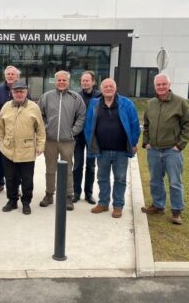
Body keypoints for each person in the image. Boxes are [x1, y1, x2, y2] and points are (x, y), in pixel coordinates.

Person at [141, 73, 189, 225]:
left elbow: (188, 125)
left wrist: (180, 145)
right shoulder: (151, 103)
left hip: (172, 150)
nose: (161, 87)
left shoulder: (180, 103)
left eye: (164, 84)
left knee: (175, 182)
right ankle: (158, 206)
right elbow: (146, 125)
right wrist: (146, 143)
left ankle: (177, 211)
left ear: (169, 85)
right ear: (154, 86)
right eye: (158, 85)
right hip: (154, 150)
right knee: (155, 180)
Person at [84, 78, 140, 219]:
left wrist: (133, 143)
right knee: (102, 178)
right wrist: (91, 144)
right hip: (101, 151)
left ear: (115, 88)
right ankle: (103, 203)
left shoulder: (127, 104)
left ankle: (118, 206)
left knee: (120, 179)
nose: (108, 88)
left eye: (111, 86)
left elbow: (134, 125)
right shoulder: (95, 103)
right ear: (101, 89)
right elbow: (89, 126)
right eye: (105, 86)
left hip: (121, 150)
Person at [38, 70, 86, 211]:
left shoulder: (76, 98)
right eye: (59, 80)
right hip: (50, 141)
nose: (61, 82)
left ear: (68, 81)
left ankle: (68, 197)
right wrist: (45, 128)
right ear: (55, 81)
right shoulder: (46, 97)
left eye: (64, 80)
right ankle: (49, 194)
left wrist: (73, 132)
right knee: (50, 169)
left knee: (68, 170)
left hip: (67, 141)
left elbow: (81, 116)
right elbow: (39, 115)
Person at [0, 81, 45, 215]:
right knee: (10, 178)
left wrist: (40, 145)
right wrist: (1, 142)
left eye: (21, 91)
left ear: (26, 92)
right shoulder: (6, 106)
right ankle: (12, 201)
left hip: (27, 150)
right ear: (12, 93)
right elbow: (0, 126)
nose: (19, 94)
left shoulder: (33, 107)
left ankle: (26, 202)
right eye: (16, 91)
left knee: (27, 179)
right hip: (8, 150)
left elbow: (40, 129)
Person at [0, 65, 21, 194]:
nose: (10, 76)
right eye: (8, 74)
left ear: (17, 76)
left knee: (17, 159)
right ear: (5, 76)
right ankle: (0, 183)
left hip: (18, 132)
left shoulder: (22, 90)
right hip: (1, 132)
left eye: (12, 74)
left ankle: (17, 185)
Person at [73, 70, 101, 204]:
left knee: (90, 166)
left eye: (87, 80)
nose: (84, 83)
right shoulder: (75, 96)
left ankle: (88, 194)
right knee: (77, 165)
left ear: (93, 82)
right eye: (83, 81)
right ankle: (76, 192)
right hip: (78, 137)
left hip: (93, 138)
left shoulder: (99, 96)